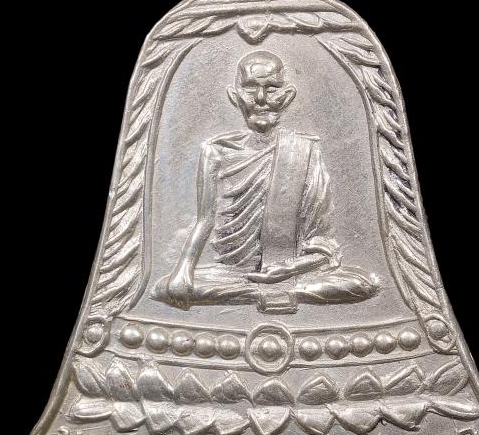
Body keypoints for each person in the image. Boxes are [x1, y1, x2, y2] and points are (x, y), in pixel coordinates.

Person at [153, 50, 377, 313]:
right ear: (235, 96)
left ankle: (265, 291)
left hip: (292, 272)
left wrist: (288, 269)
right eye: (250, 89)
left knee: (363, 284)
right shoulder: (216, 151)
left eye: (271, 88)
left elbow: (323, 244)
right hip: (233, 274)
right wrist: (183, 270)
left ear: (287, 96)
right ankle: (266, 291)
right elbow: (205, 220)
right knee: (164, 287)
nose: (260, 98)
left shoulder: (304, 150)